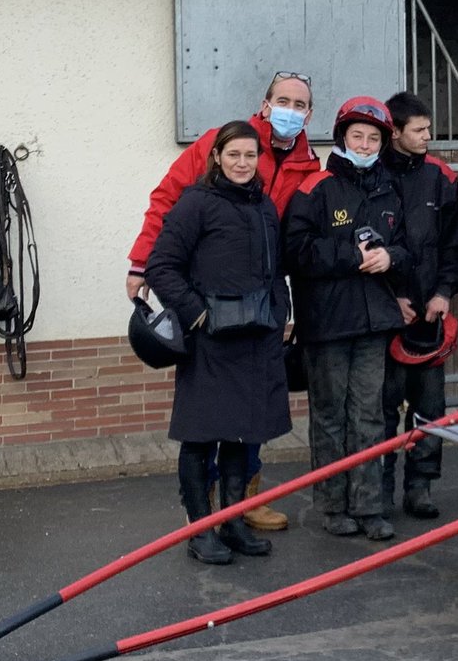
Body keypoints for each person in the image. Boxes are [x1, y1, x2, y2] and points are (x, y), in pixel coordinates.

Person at [128, 70, 319, 532]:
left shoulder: (309, 167)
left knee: (249, 420)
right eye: (283, 100)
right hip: (212, 315)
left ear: (309, 113)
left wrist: (281, 313)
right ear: (266, 103)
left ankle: (243, 505)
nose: (290, 109)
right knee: (207, 423)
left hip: (258, 319)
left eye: (300, 103)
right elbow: (166, 202)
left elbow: (294, 244)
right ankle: (203, 513)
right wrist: (141, 263)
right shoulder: (220, 149)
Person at [145, 121, 291, 564]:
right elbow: (161, 267)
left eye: (250, 156)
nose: (243, 164)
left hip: (258, 342)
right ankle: (201, 530)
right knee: (202, 438)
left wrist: (281, 313)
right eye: (234, 155)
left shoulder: (265, 207)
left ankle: (232, 524)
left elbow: (275, 270)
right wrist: (199, 314)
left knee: (243, 437)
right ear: (217, 158)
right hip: (211, 344)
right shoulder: (196, 205)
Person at [282, 97, 410, 540]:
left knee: (369, 416)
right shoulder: (314, 188)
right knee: (330, 416)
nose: (366, 143)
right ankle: (334, 506)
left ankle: (370, 506)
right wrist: (351, 257)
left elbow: (408, 248)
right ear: (341, 137)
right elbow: (295, 251)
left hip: (373, 323)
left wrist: (390, 257)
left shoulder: (389, 188)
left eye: (374, 138)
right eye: (357, 135)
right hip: (327, 322)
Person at [380, 92, 458, 520]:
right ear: (394, 132)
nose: (427, 136)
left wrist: (444, 293)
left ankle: (420, 487)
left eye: (428, 128)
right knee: (381, 410)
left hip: (430, 313)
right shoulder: (371, 173)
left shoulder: (441, 175)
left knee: (430, 410)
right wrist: (388, 300)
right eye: (418, 130)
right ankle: (379, 490)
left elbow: (455, 244)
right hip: (385, 315)